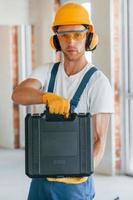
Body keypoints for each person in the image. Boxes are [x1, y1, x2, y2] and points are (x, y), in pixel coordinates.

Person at [12, 2, 114, 200]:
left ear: (89, 37)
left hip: (75, 184)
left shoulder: (98, 82)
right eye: (64, 35)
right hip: (41, 179)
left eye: (77, 34)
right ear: (56, 40)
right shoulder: (48, 71)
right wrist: (45, 96)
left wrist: (82, 171)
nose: (71, 42)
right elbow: (18, 94)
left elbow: (99, 140)